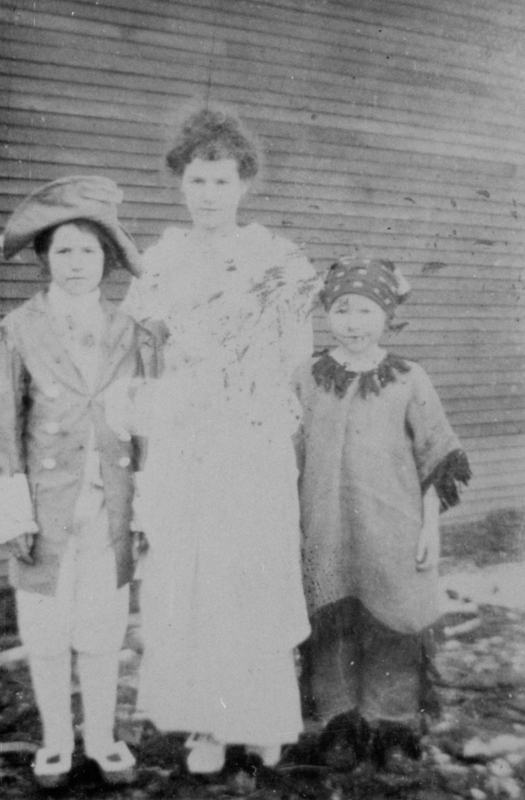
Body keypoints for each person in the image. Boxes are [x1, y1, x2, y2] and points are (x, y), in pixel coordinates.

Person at [123, 106, 320, 774]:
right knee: (195, 577)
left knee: (254, 572)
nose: (209, 194)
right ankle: (206, 724)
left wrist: (263, 408)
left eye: (222, 181)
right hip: (186, 439)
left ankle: (265, 718)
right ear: (181, 183)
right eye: (198, 181)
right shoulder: (161, 260)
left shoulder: (276, 259)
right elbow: (140, 352)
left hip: (253, 437)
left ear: (243, 185)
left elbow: (297, 351)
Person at [0, 176, 156, 788]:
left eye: (88, 251)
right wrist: (12, 510)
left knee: (102, 623)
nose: (75, 263)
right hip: (44, 505)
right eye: (62, 250)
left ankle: (102, 735)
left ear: (108, 260)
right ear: (43, 257)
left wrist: (146, 506)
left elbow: (146, 423)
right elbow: (5, 425)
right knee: (44, 626)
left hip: (111, 502)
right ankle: (57, 741)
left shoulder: (131, 330)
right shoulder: (17, 329)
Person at [293, 256, 471, 767]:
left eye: (367, 310)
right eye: (343, 309)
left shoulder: (409, 378)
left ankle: (391, 724)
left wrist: (431, 527)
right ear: (328, 313)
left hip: (393, 528)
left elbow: (436, 457)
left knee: (395, 621)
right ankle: (339, 723)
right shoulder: (305, 377)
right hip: (323, 528)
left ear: (387, 316)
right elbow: (288, 456)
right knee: (330, 623)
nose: (354, 322)